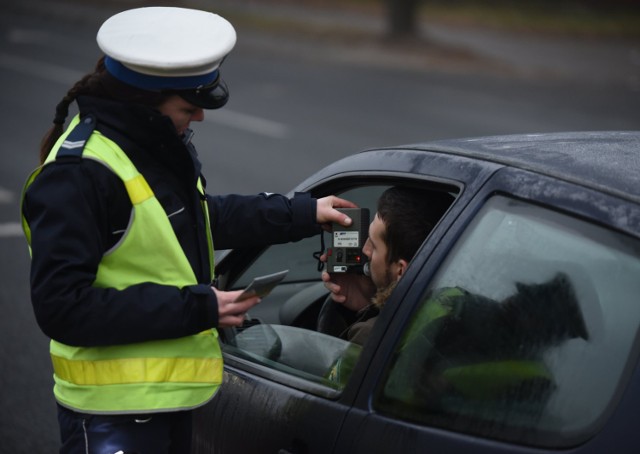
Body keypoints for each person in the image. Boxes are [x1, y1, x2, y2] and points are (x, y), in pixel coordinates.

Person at [20, 7, 355, 454]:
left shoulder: (148, 146)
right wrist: (200, 308)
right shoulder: (80, 174)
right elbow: (62, 308)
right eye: (188, 106)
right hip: (112, 414)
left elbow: (197, 218)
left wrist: (302, 212)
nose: (198, 117)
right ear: (144, 102)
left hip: (167, 402)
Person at [320, 186, 453, 345]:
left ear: (401, 270)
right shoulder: (464, 306)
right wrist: (369, 300)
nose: (365, 250)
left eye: (374, 246)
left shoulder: (372, 336)